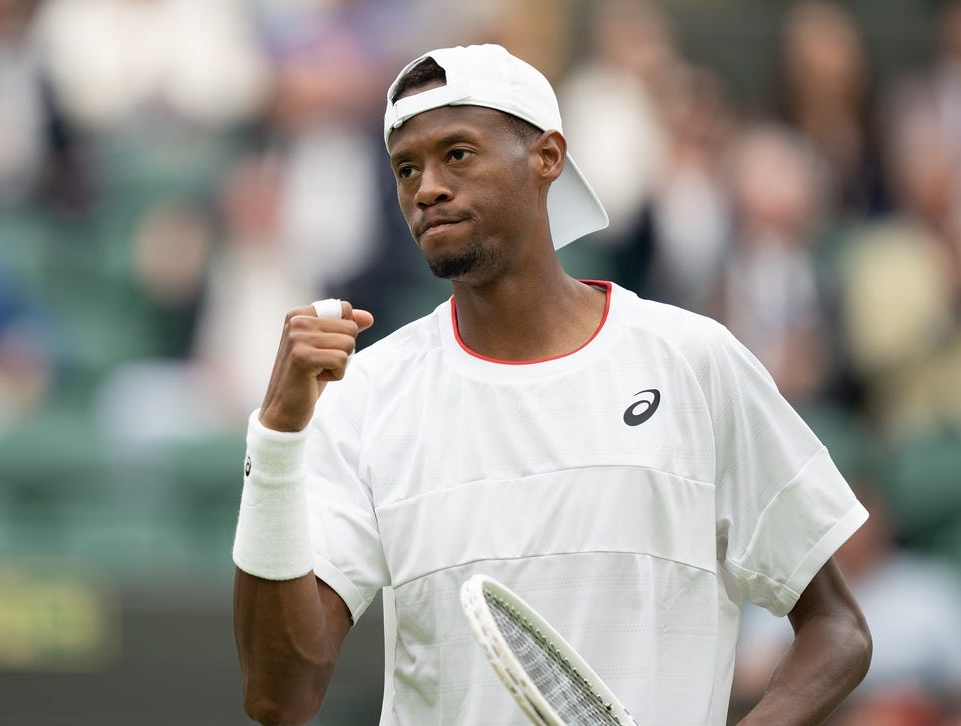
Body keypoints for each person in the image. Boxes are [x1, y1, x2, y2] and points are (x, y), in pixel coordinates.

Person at [232, 44, 871, 726]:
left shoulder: (696, 361)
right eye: (406, 168)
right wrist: (276, 437)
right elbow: (280, 696)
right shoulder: (366, 396)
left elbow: (838, 629)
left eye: (458, 154)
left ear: (547, 157)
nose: (427, 189)